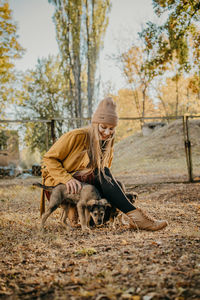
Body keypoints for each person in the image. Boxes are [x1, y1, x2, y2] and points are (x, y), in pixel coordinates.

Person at [40, 97, 168, 231]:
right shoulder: (77, 135)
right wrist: (67, 179)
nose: (107, 132)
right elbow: (49, 159)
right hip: (59, 186)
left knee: (117, 184)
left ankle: (127, 219)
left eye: (111, 128)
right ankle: (137, 218)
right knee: (102, 173)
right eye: (103, 127)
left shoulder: (107, 142)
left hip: (84, 186)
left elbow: (107, 176)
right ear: (95, 124)